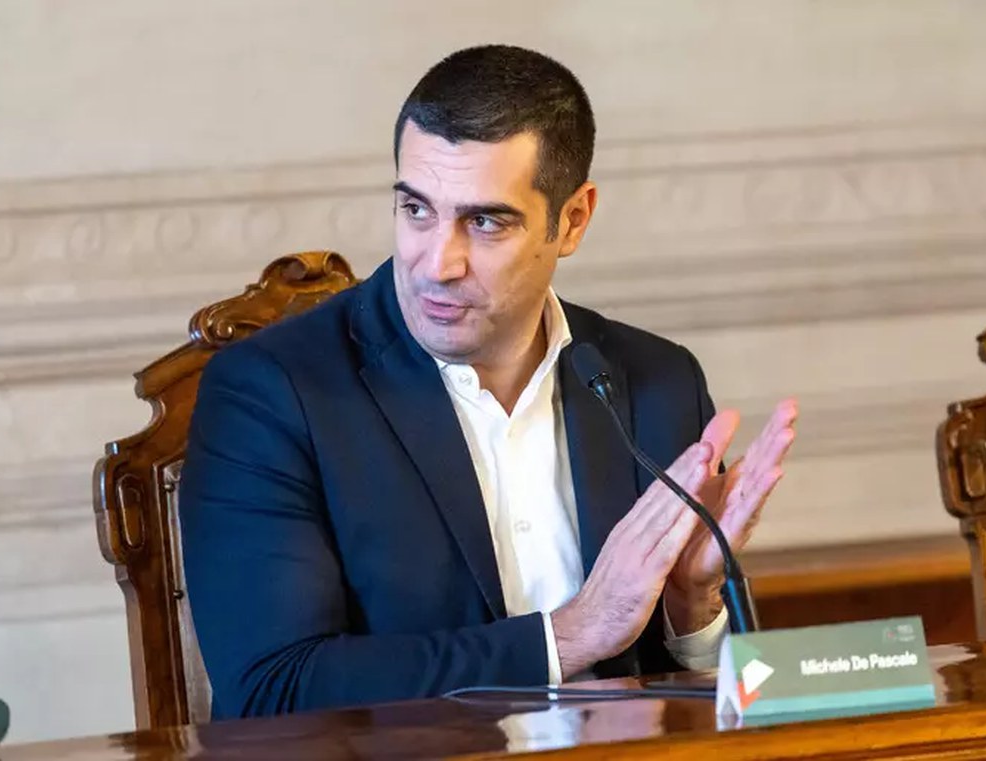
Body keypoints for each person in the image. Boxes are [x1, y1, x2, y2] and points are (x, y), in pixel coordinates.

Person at [179, 44, 798, 719]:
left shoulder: (657, 380)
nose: (436, 264)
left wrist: (692, 606)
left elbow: (727, 709)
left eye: (484, 221)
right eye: (416, 210)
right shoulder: (270, 393)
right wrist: (573, 633)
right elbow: (273, 689)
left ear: (572, 220)